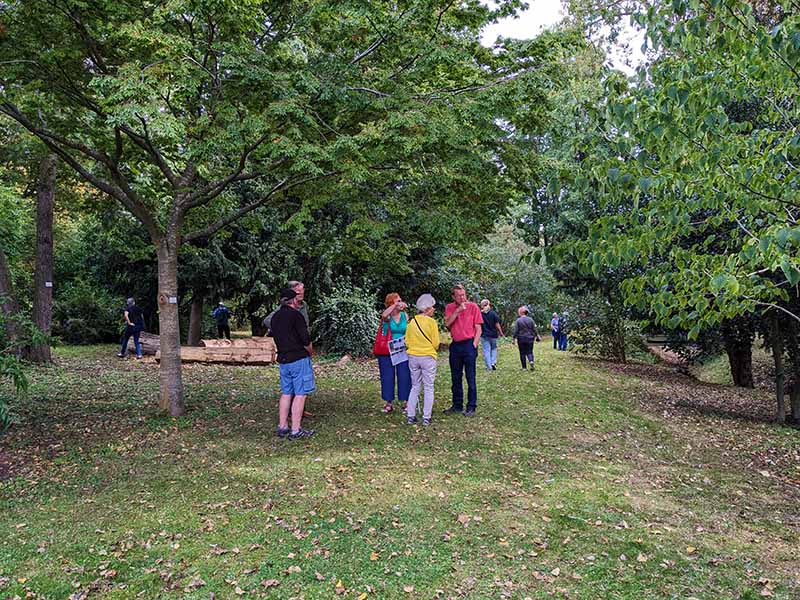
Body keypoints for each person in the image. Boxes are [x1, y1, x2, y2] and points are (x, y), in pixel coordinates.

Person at [271, 287, 316, 440]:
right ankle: (296, 430)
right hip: (298, 359)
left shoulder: (275, 317)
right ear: (294, 301)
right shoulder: (296, 316)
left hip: (283, 359)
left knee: (286, 393)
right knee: (300, 394)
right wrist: (310, 351)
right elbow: (305, 339)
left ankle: (282, 426)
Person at [443, 284, 483, 417]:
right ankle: (457, 405)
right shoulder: (450, 307)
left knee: (470, 377)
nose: (462, 297)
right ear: (453, 296)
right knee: (456, 377)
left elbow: (478, 329)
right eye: (459, 295)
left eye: (464, 295)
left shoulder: (473, 307)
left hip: (469, 344)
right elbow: (448, 324)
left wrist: (474, 345)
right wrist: (458, 311)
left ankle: (471, 406)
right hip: (456, 345)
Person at [405, 294, 440, 425]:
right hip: (428, 357)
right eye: (432, 307)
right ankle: (426, 417)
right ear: (427, 309)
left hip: (413, 356)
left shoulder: (412, 322)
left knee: (415, 386)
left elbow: (407, 341)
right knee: (429, 386)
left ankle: (410, 415)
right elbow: (436, 343)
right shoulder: (432, 323)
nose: (434, 310)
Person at [378, 293, 411, 413]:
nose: (400, 303)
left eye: (400, 301)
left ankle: (406, 402)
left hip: (402, 349)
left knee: (404, 375)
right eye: (397, 301)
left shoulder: (404, 315)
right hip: (387, 350)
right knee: (387, 376)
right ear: (391, 303)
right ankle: (388, 402)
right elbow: (384, 315)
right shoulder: (387, 317)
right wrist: (394, 306)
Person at [479, 299, 504, 371]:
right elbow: (497, 324)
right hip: (493, 335)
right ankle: (493, 362)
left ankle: (488, 367)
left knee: (486, 350)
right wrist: (501, 332)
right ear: (489, 304)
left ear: (482, 306)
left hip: (484, 335)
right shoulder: (493, 314)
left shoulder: (480, 314)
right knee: (493, 349)